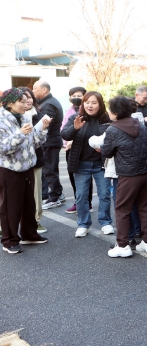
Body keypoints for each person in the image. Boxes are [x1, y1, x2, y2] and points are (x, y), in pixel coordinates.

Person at [101, 96, 147, 258]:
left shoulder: (113, 129)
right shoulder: (141, 125)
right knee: (146, 207)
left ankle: (123, 245)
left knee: (122, 209)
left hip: (128, 175)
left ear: (115, 112)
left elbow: (107, 152)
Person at [0, 88, 51, 254]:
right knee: (10, 207)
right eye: (21, 101)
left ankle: (29, 234)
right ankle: (9, 241)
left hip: (27, 167)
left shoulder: (23, 118)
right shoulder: (1, 120)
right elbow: (3, 148)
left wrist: (42, 129)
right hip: (9, 169)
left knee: (29, 204)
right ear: (10, 103)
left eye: (26, 100)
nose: (26, 104)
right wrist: (20, 134)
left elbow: (34, 143)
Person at [61, 91, 114, 237]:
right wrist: (75, 128)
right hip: (81, 164)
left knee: (104, 194)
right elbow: (64, 135)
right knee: (81, 195)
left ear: (100, 105)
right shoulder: (75, 117)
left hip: (101, 163)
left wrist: (105, 148)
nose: (90, 105)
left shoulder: (107, 119)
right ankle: (83, 224)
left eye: (94, 103)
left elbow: (114, 138)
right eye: (87, 102)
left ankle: (105, 222)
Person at [33, 79, 64, 210]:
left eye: (35, 88)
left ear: (44, 90)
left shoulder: (48, 105)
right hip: (50, 142)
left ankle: (55, 198)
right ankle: (57, 195)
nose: (33, 91)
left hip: (49, 143)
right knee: (49, 171)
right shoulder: (48, 102)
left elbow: (45, 127)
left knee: (50, 171)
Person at [61, 87, 93, 214]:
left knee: (85, 178)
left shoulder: (89, 111)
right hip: (70, 148)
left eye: (79, 95)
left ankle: (87, 203)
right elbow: (64, 129)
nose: (76, 98)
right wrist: (66, 142)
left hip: (83, 148)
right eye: (73, 95)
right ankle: (78, 201)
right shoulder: (69, 111)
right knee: (73, 177)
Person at [20, 87, 46, 234]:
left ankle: (36, 221)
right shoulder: (10, 117)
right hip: (14, 161)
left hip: (35, 158)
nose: (27, 101)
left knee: (36, 192)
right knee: (10, 192)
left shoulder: (40, 116)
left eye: (30, 97)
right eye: (23, 98)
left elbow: (40, 140)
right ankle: (4, 224)